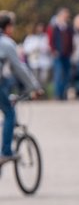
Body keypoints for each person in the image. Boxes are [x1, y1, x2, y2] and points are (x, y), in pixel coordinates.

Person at [0, 12, 42, 164]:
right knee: (10, 113)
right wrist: (34, 87)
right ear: (8, 27)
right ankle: (5, 152)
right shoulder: (5, 43)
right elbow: (19, 68)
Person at [47, 8, 73, 101]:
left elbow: (71, 41)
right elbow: (50, 40)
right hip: (57, 54)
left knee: (66, 75)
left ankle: (63, 93)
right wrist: (53, 50)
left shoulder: (68, 27)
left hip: (67, 54)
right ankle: (57, 94)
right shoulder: (53, 27)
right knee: (58, 74)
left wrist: (71, 51)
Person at [23, 23, 52, 90]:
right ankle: (35, 91)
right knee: (35, 79)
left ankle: (42, 92)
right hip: (34, 61)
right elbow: (26, 49)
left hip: (44, 61)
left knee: (44, 79)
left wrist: (43, 48)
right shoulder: (30, 38)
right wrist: (34, 48)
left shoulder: (45, 37)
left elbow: (48, 47)